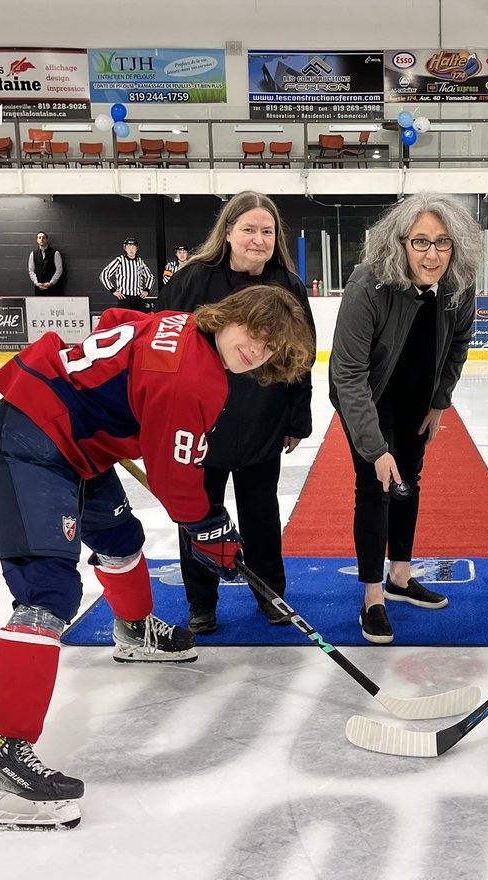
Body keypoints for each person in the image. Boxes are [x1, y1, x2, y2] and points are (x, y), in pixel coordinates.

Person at [0, 285, 315, 830]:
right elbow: (177, 484)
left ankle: (133, 631)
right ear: (232, 315)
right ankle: (2, 757)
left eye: (271, 349)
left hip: (75, 441)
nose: (257, 350)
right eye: (255, 333)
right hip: (31, 441)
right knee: (48, 593)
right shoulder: (193, 379)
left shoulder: (181, 325)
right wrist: (210, 527)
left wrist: (105, 401)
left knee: (120, 539)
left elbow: (116, 319)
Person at [328, 192, 481, 644]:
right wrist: (374, 448)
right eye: (420, 242)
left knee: (408, 483)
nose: (432, 254)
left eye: (442, 243)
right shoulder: (367, 285)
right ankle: (373, 597)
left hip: (417, 401)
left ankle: (400, 576)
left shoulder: (459, 285)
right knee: (375, 490)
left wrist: (439, 403)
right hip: (369, 403)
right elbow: (348, 374)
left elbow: (458, 347)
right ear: (400, 243)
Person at [158, 192, 315, 633]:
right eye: (248, 229)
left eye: (267, 231)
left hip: (264, 424)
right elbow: (163, 349)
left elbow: (302, 356)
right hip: (201, 426)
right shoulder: (192, 279)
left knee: (261, 515)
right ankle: (202, 602)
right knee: (199, 516)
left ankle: (270, 595)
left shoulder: (289, 284)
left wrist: (296, 418)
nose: (258, 239)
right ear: (227, 232)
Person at [99, 238, 154, 311]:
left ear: (136, 249)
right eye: (128, 247)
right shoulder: (120, 260)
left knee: (139, 320)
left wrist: (147, 290)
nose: (131, 249)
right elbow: (104, 275)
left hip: (138, 297)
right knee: (125, 321)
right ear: (125, 248)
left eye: (133, 247)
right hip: (124, 298)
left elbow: (150, 276)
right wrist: (113, 290)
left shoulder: (139, 261)